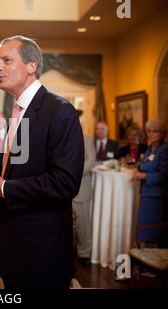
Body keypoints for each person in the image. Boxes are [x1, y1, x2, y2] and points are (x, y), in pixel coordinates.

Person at [0, 35, 84, 289]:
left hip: (41, 253)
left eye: (7, 60)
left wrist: (3, 187)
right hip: (12, 247)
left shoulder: (59, 110)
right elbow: (22, 169)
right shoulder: (18, 111)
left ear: (32, 66)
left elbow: (65, 183)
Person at [133, 119, 168, 247]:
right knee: (142, 231)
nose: (151, 134)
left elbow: (165, 174)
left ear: (162, 133)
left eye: (154, 131)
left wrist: (143, 175)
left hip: (158, 197)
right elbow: (144, 165)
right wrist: (138, 170)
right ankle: (139, 262)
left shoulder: (166, 149)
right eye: (149, 131)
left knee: (156, 233)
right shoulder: (150, 148)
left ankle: (150, 263)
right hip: (146, 194)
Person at [72, 110, 96, 267]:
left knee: (83, 224)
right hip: (62, 189)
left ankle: (84, 253)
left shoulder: (88, 140)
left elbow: (91, 161)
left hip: (82, 187)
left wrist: (71, 173)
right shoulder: (59, 139)